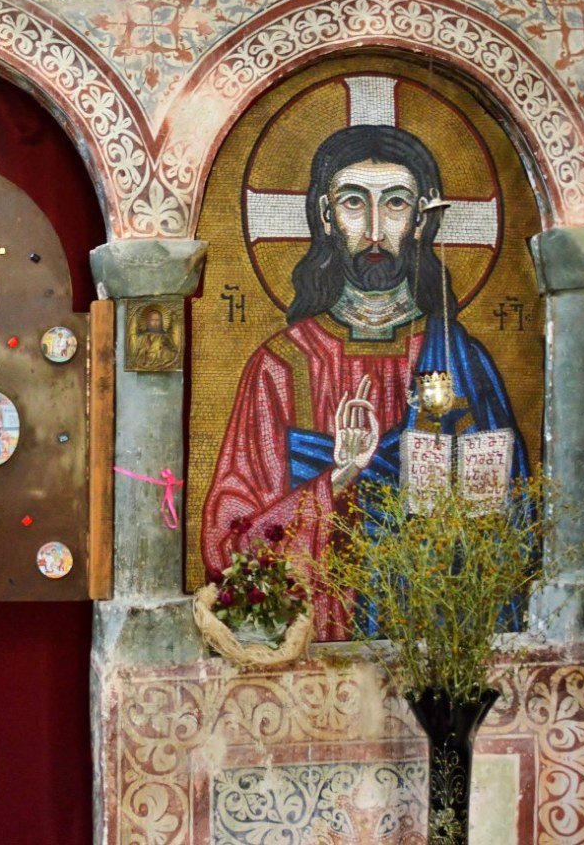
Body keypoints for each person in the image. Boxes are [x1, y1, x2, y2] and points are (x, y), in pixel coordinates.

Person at [199, 125, 528, 640]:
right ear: (327, 216)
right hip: (322, 636)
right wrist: (341, 476)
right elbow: (229, 541)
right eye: (354, 203)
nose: (375, 229)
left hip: (432, 629)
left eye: (396, 204)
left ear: (421, 220)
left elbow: (512, 522)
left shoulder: (462, 359)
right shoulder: (279, 367)